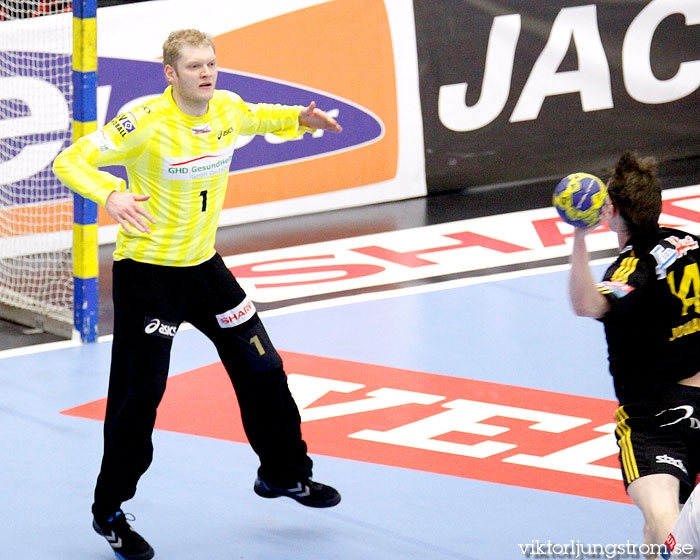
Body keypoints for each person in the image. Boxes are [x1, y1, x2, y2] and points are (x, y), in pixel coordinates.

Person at [53, 28, 342, 560]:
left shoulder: (225, 108)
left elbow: (260, 114)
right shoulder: (144, 121)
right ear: (170, 73)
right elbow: (70, 161)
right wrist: (110, 193)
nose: (206, 73)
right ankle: (109, 512)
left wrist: (300, 120)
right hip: (149, 277)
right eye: (193, 67)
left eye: (211, 63)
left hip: (205, 271)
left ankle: (282, 474)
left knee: (264, 369)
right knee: (139, 399)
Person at [568, 151, 700, 554]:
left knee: (665, 523)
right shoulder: (692, 242)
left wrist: (577, 237)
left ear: (612, 210)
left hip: (656, 418)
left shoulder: (631, 266)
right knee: (652, 533)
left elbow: (587, 304)